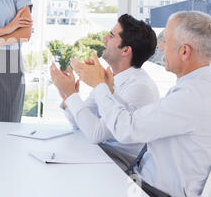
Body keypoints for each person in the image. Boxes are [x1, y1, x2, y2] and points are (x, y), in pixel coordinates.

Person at [71, 11, 211, 197]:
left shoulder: (192, 96)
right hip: (148, 187)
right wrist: (106, 89)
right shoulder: (196, 88)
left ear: (184, 52)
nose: (160, 46)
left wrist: (99, 85)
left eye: (166, 40)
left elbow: (126, 129)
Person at [49, 14, 159, 170]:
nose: (104, 38)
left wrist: (72, 95)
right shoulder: (111, 78)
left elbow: (95, 133)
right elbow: (80, 123)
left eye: (112, 35)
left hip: (118, 165)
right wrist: (68, 94)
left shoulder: (139, 87)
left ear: (126, 50)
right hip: (102, 155)